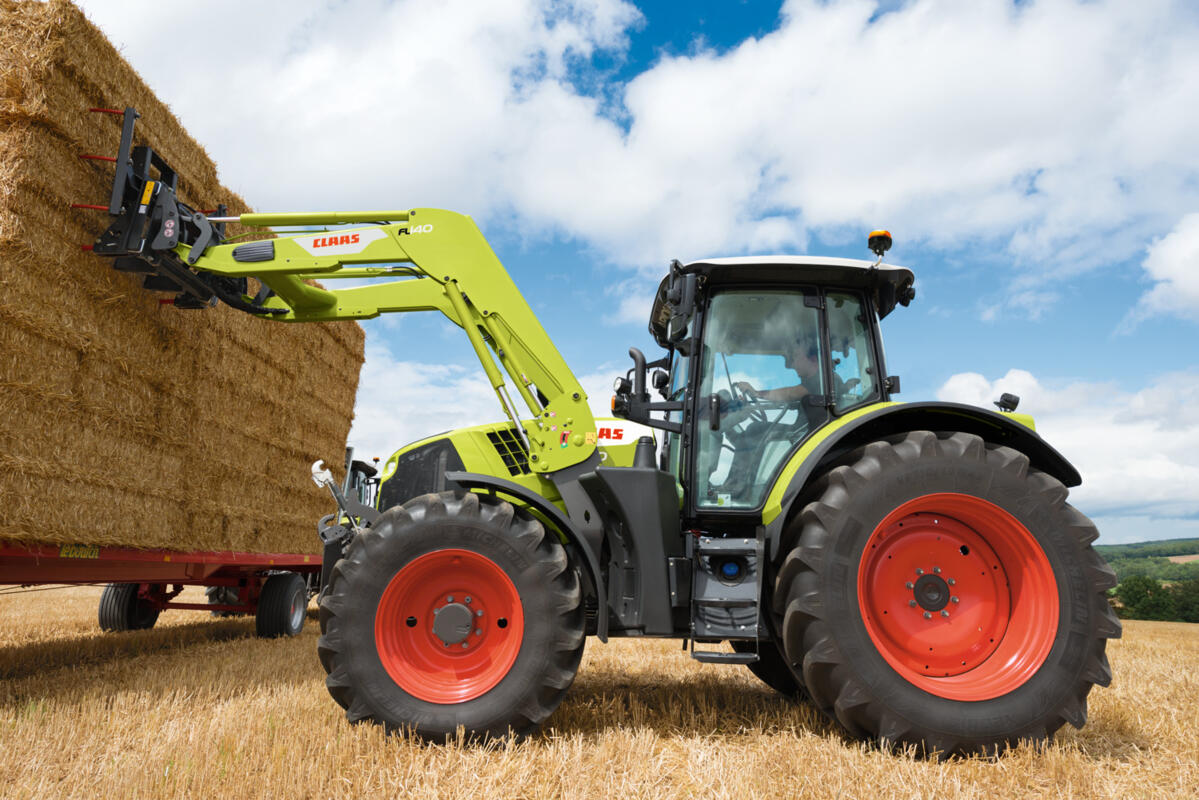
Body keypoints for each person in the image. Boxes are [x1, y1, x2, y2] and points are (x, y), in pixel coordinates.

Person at [734, 335, 821, 403]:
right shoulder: (813, 383)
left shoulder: (822, 383)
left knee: (754, 427)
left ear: (813, 360)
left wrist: (756, 393)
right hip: (803, 425)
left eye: (796, 357)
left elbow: (790, 394)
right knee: (756, 426)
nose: (793, 364)